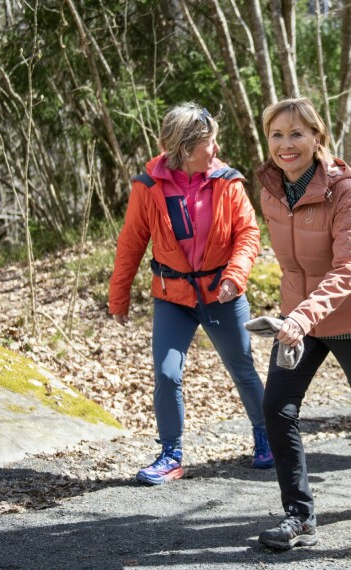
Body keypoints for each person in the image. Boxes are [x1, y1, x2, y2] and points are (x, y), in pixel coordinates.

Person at [254, 97, 351, 550]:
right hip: (300, 320)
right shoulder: (270, 188)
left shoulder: (344, 192)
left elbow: (348, 266)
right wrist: (291, 314)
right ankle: (299, 516)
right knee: (277, 408)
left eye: (296, 133)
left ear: (318, 137)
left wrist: (301, 314)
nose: (286, 144)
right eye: (277, 134)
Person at [108, 103, 272, 485]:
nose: (216, 150)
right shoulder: (148, 187)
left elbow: (248, 234)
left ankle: (267, 437)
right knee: (167, 375)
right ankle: (171, 454)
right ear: (184, 149)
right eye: (209, 144)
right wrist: (119, 297)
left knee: (243, 369)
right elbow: (131, 243)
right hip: (173, 296)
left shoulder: (227, 182)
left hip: (222, 294)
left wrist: (236, 275)